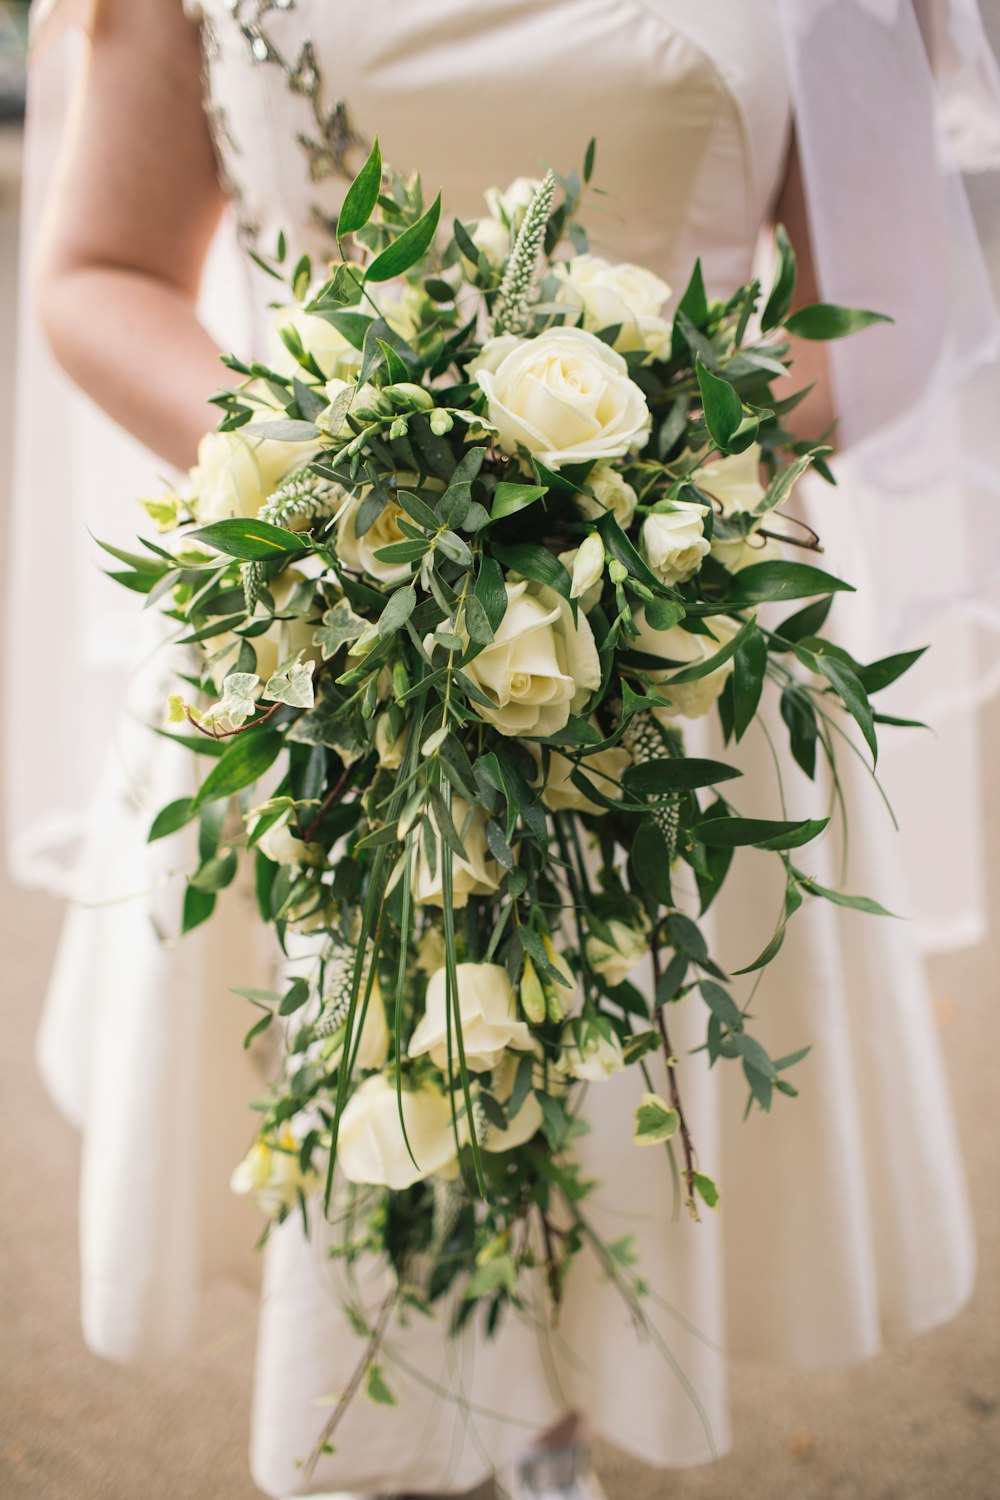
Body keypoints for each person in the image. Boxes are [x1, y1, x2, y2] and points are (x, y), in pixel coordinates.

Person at [10, 1, 1000, 1496]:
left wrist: (621, 489)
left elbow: (888, 304)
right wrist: (339, 474)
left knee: (608, 1111)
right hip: (316, 620)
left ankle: (544, 1443)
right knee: (358, 1113)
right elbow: (100, 272)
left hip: (660, 644)